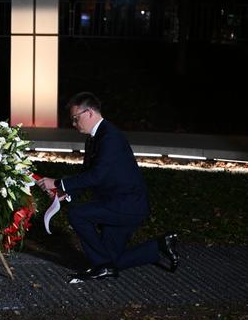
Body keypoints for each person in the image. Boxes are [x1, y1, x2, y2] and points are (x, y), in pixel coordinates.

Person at [37, 92, 179, 282]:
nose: (73, 123)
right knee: (111, 260)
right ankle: (159, 246)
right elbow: (87, 173)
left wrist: (56, 182)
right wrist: (65, 191)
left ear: (89, 113)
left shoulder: (110, 137)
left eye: (75, 118)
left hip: (128, 205)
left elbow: (97, 176)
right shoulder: (95, 138)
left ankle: (102, 266)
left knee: (77, 215)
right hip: (117, 203)